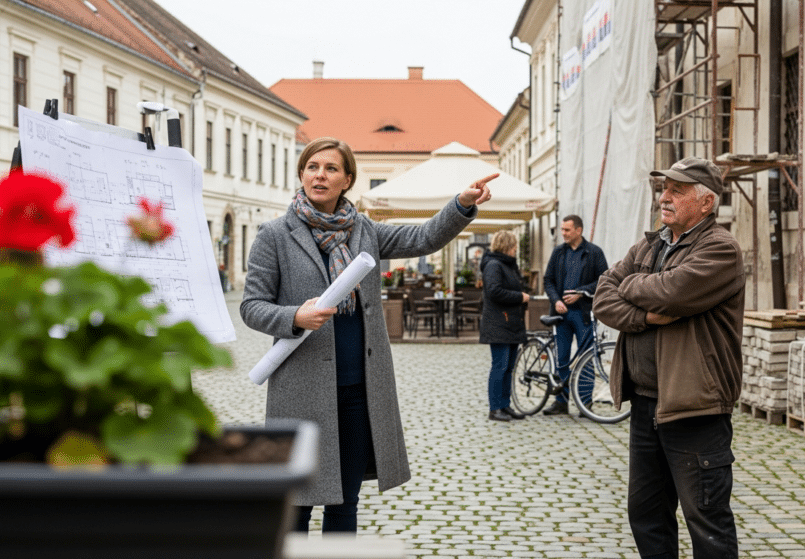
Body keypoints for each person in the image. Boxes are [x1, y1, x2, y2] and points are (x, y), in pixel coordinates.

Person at [240, 137, 496, 534]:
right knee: (297, 504)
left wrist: (461, 205)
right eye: (312, 167)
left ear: (347, 180)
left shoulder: (364, 231)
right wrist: (295, 316)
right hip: (301, 390)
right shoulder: (274, 235)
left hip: (361, 389)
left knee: (345, 502)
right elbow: (252, 306)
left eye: (330, 168)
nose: (319, 175)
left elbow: (423, 237)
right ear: (301, 174)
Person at [592, 157, 745, 558]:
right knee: (646, 513)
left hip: (694, 407)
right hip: (646, 403)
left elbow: (672, 292)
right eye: (664, 189)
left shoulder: (721, 249)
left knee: (706, 519)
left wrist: (632, 284)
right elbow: (603, 297)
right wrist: (643, 315)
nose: (665, 198)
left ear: (706, 203)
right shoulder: (651, 243)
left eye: (678, 191)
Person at [541, 214, 608, 415]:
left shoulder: (594, 252)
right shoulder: (558, 252)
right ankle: (561, 402)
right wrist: (556, 300)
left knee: (586, 358)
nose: (563, 233)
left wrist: (581, 293)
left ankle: (584, 403)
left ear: (578, 230)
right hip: (561, 315)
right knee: (561, 358)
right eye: (562, 229)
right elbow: (548, 280)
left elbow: (603, 280)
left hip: (584, 314)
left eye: (567, 230)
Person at [478, 230, 529, 422]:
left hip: (510, 322)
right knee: (499, 366)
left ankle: (505, 405)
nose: (516, 248)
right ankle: (495, 408)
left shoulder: (507, 265)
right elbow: (494, 291)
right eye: (514, 245)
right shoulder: (493, 265)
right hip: (499, 322)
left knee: (508, 367)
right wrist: (520, 297)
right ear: (507, 246)